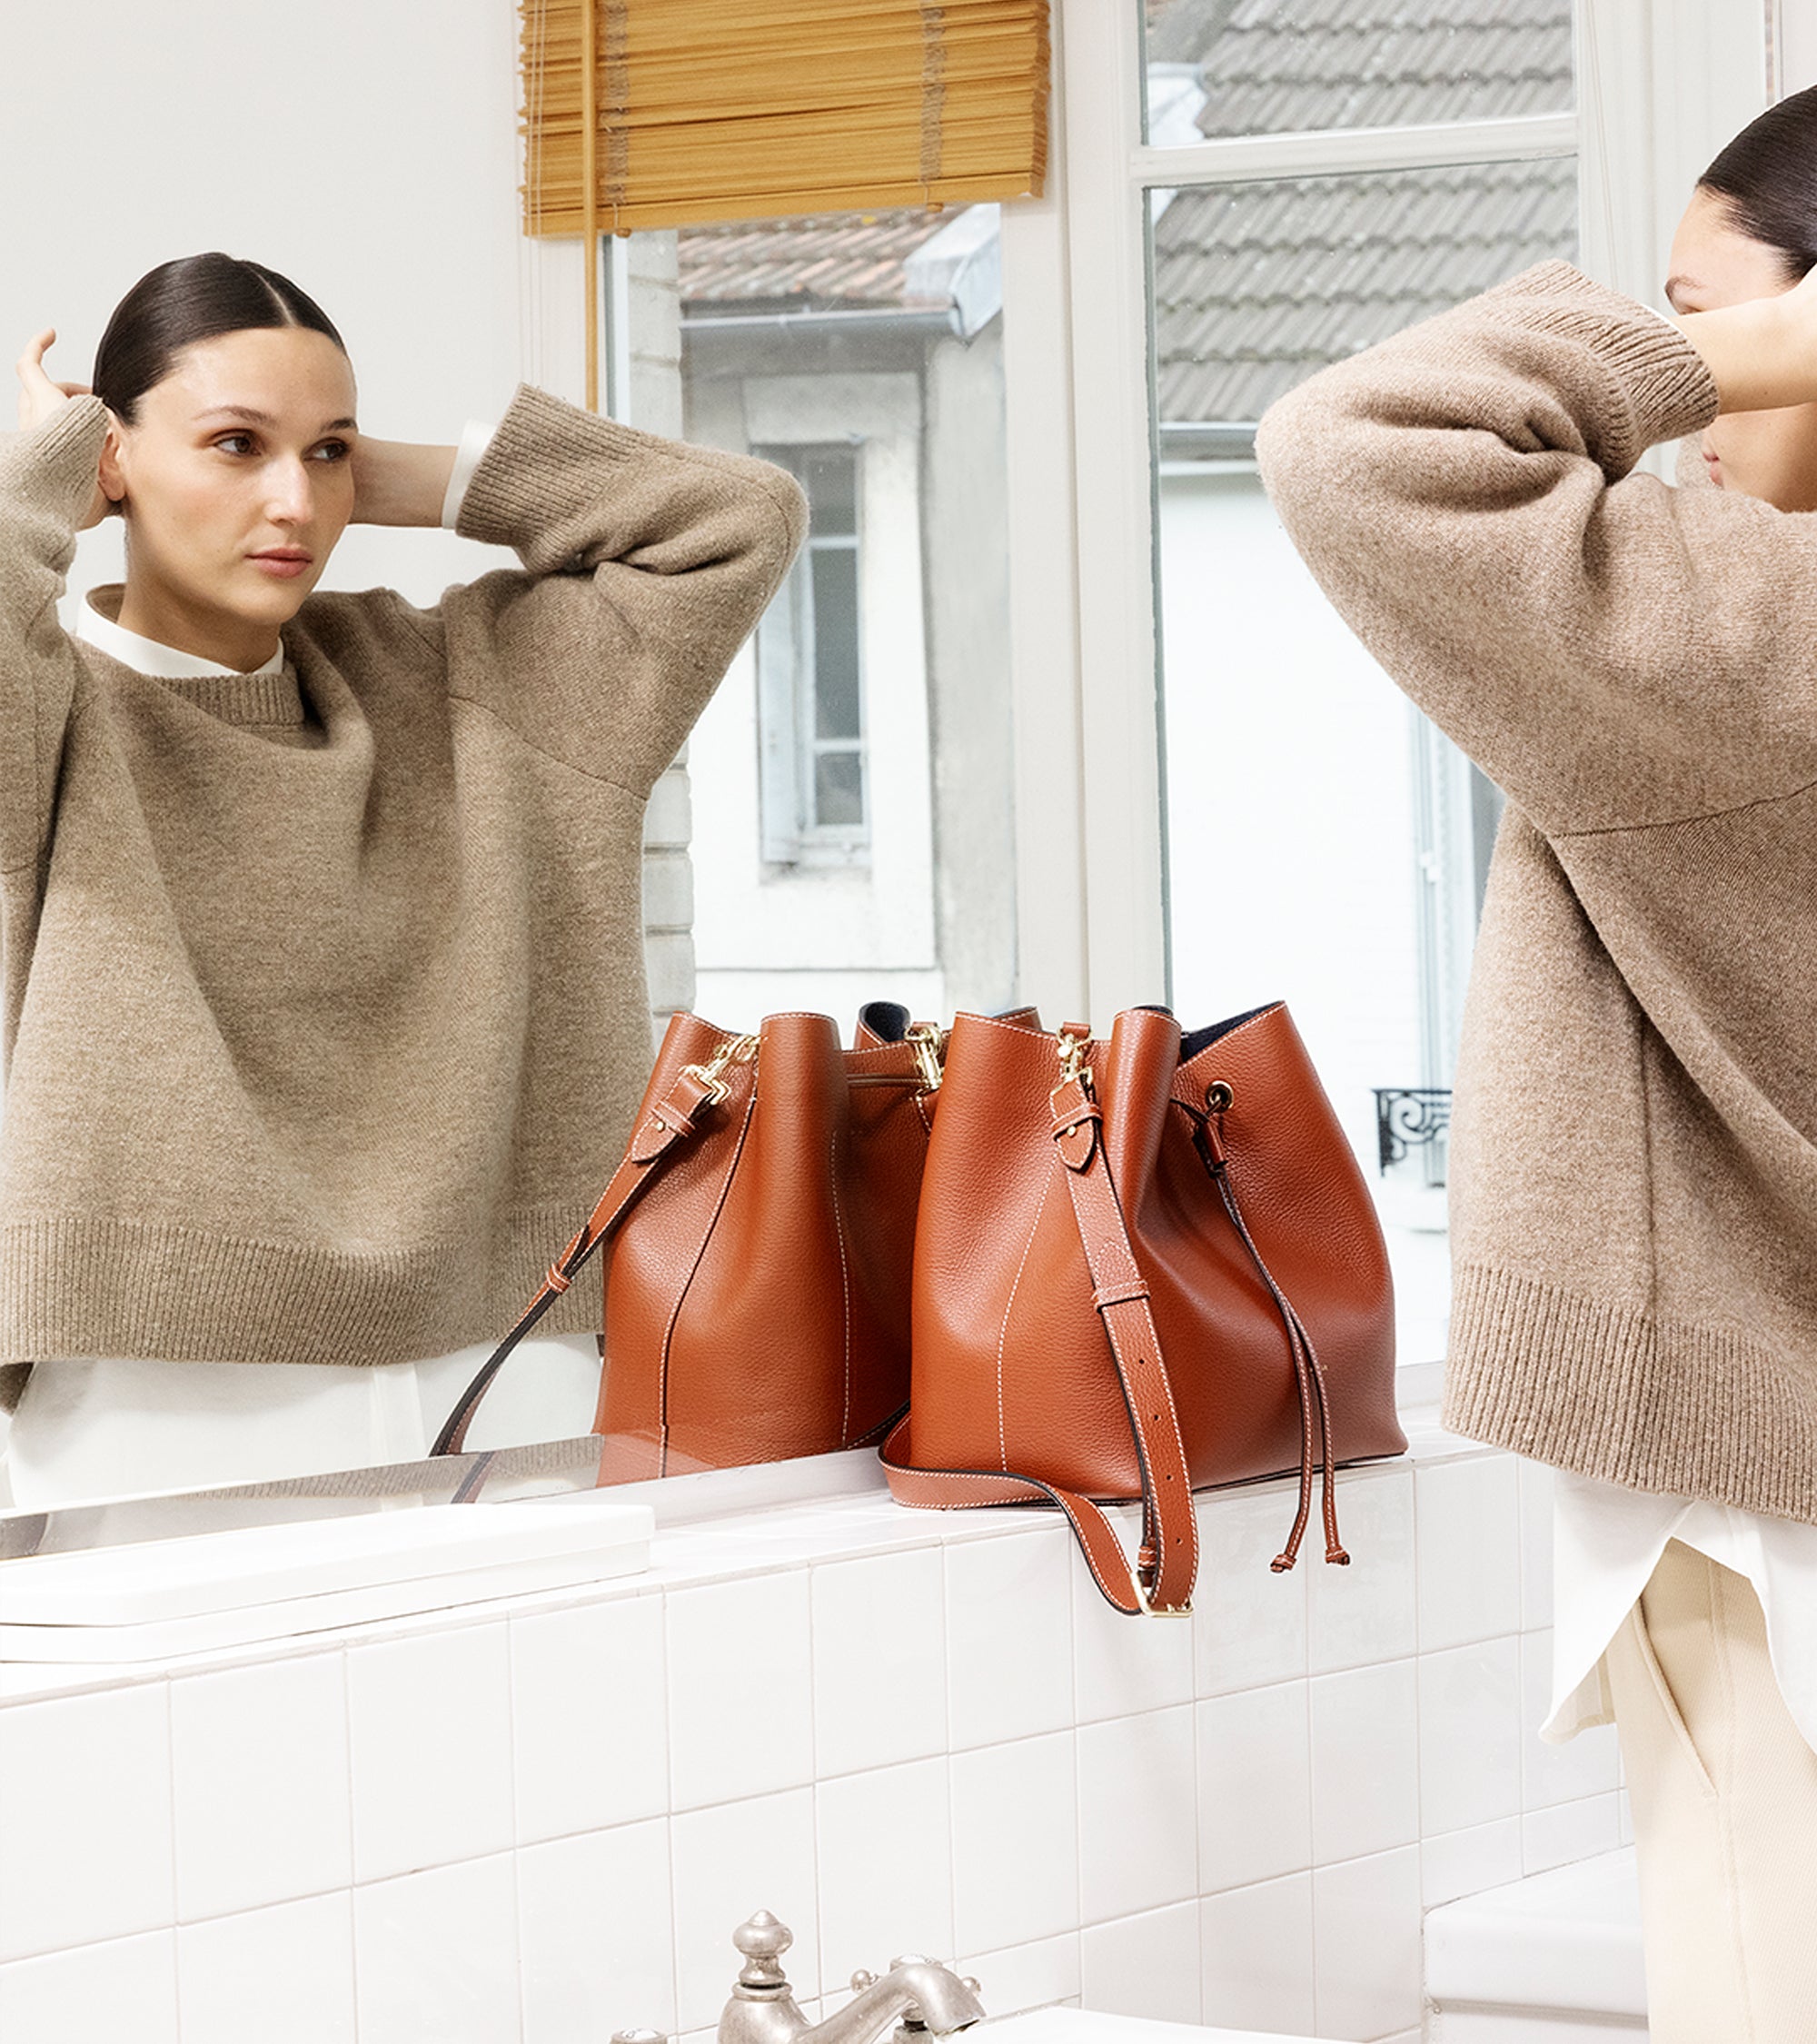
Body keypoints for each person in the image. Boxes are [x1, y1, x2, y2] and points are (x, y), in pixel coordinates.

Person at [1256, 87, 1817, 2040]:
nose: (1686, 387)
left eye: (1707, 318)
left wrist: (1722, 349)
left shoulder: (1741, 628)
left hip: (1753, 1490)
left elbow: (1352, 442)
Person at [0, 252, 806, 1507]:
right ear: (115, 461)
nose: (295, 501)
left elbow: (735, 521)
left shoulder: (466, 686)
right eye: (234, 444)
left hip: (495, 1363)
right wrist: (49, 470)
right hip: (159, 1385)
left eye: (329, 452)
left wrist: (424, 484)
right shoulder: (46, 707)